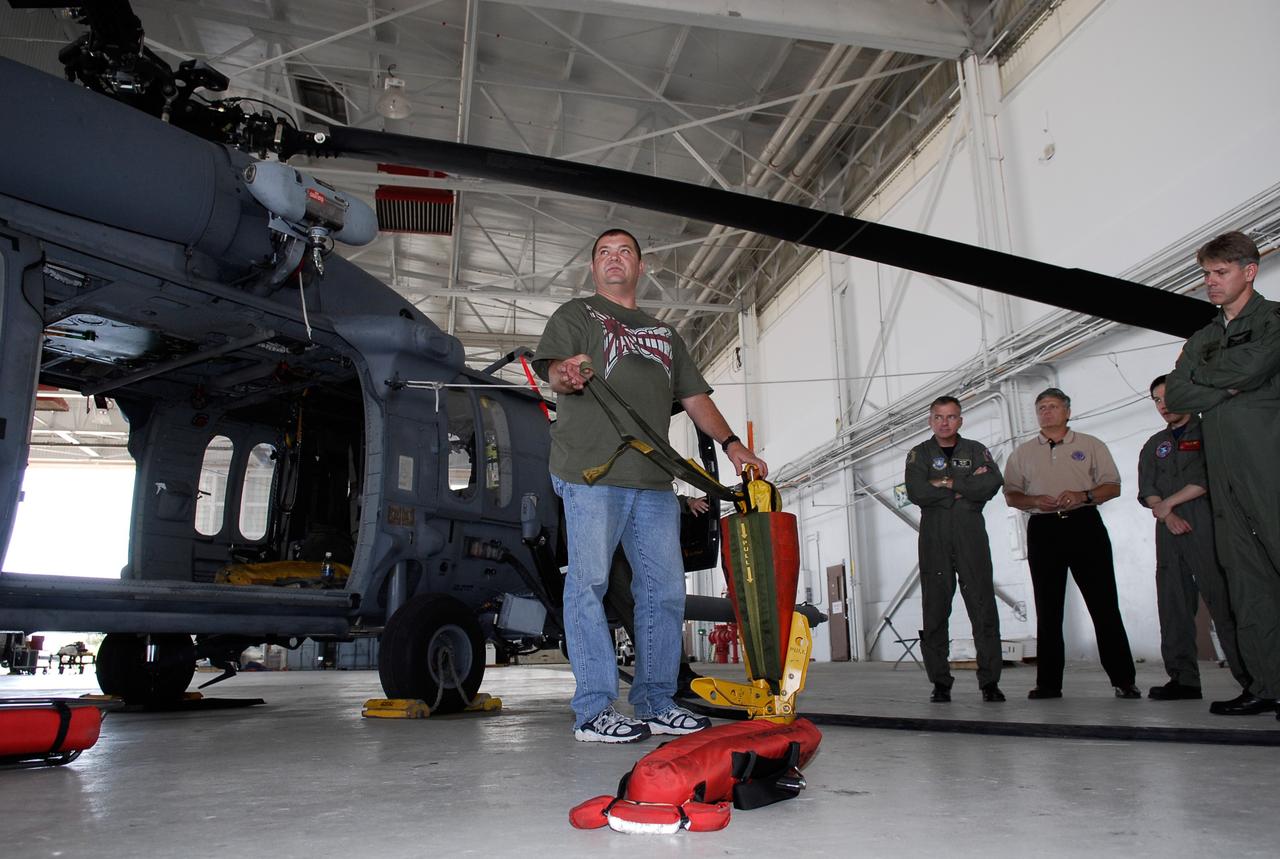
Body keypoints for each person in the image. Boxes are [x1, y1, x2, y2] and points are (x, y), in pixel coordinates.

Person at [534, 227, 767, 743]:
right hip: (591, 474)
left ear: (640, 268)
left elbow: (695, 398)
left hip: (654, 481)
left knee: (663, 593)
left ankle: (657, 700)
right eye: (603, 253)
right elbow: (554, 369)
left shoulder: (665, 334)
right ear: (594, 268)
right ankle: (594, 710)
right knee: (589, 585)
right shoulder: (575, 315)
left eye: (624, 252)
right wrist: (567, 374)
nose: (613, 259)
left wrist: (733, 446)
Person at [1165, 231, 1280, 718]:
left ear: (1249, 271)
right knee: (1246, 583)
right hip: (1224, 477)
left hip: (1269, 466)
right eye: (1206, 275)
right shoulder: (1204, 338)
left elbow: (1255, 365)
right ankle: (1268, 684)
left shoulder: (1273, 320)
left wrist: (1210, 383)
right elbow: (1176, 395)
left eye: (1220, 273)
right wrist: (1227, 387)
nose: (1210, 283)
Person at [1003, 387, 1141, 699]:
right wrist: (1035, 499)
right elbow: (1011, 495)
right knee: (1048, 610)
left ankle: (1123, 679)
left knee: (1104, 604)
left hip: (1084, 525)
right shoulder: (1022, 453)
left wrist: (1084, 496)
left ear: (1067, 411)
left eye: (1053, 406)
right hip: (1043, 529)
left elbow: (1113, 486)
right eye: (1041, 408)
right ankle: (1048, 683)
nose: (1047, 412)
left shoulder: (1091, 445)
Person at [1138, 375, 1250, 700]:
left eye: (1168, 397)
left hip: (1208, 522)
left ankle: (1253, 680)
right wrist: (1166, 513)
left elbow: (1209, 477)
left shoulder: (1209, 431)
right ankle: (1184, 679)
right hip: (1168, 530)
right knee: (1172, 603)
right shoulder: (1153, 445)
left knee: (1224, 603)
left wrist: (1170, 505)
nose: (1163, 405)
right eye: (1156, 400)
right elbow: (1147, 489)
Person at [904, 396, 1006, 703]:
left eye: (951, 417)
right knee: (935, 610)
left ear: (960, 420)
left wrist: (946, 484)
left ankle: (990, 682)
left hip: (970, 535)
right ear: (930, 420)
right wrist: (963, 485)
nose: (945, 423)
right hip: (934, 537)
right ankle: (940, 683)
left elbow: (991, 484)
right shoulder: (919, 454)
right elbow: (917, 491)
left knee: (983, 606)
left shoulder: (975, 450)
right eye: (939, 417)